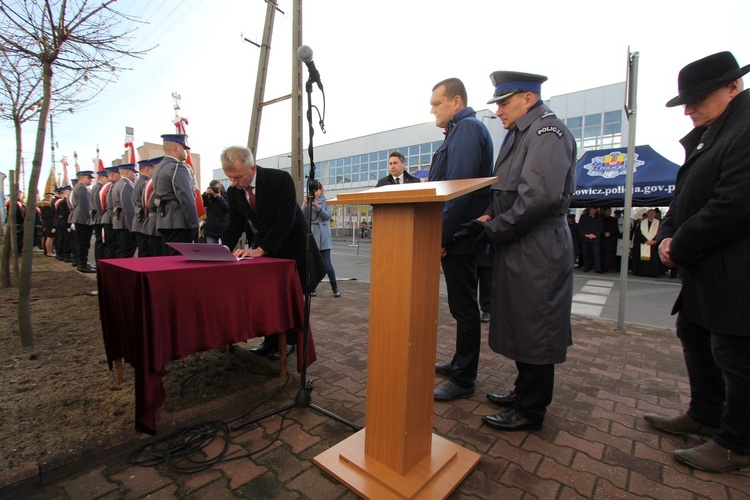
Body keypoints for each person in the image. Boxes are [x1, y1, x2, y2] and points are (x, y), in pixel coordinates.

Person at [643, 51, 750, 473]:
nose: (689, 109)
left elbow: (735, 204)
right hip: (706, 269)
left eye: (699, 98)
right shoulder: (711, 132)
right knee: (695, 335)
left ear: (733, 87)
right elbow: (683, 197)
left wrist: (678, 243)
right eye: (685, 101)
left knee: (736, 356)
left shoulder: (744, 130)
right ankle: (705, 414)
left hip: (737, 269)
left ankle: (736, 441)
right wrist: (668, 233)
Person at [473, 70, 576, 431]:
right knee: (522, 322)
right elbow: (512, 192)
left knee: (537, 326)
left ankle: (532, 410)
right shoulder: (523, 132)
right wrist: (491, 215)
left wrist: (494, 229)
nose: (499, 110)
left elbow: (539, 197)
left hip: (538, 246)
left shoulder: (548, 131)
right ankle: (523, 392)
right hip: (523, 242)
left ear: (528, 99)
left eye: (504, 102)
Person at [220, 145, 325, 361]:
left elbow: (285, 219)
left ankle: (289, 344)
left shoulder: (279, 180)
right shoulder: (234, 192)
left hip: (293, 247)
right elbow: (235, 223)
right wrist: (221, 249)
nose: (234, 183)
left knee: (289, 299)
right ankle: (270, 342)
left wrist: (261, 249)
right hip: (267, 250)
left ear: (252, 167)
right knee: (268, 298)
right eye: (229, 178)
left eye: (238, 177)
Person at [428, 77, 493, 401]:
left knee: (465, 308)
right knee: (461, 305)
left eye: (437, 103)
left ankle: (465, 378)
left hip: (460, 237)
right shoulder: (459, 130)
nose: (432, 109)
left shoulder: (466, 130)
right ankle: (459, 364)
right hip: (457, 235)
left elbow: (458, 189)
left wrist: (441, 237)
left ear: (456, 102)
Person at [148, 134, 199, 255]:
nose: (187, 151)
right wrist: (193, 224)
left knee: (167, 259)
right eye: (185, 148)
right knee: (178, 261)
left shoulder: (159, 168)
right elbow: (186, 198)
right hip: (178, 222)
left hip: (164, 220)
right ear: (176, 147)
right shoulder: (177, 167)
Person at [303, 180, 340, 297]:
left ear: (321, 189)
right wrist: (305, 205)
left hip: (323, 233)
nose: (314, 193)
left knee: (327, 264)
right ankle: (312, 287)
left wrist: (317, 206)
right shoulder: (307, 200)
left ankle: (335, 287)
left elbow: (328, 217)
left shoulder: (327, 201)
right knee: (311, 263)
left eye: (316, 190)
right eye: (312, 190)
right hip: (312, 233)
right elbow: (303, 216)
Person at [131, 157, 159, 257]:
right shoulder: (146, 183)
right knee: (146, 252)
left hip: (140, 221)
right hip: (143, 221)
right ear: (148, 169)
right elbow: (148, 204)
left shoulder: (139, 182)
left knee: (143, 251)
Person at [70, 170, 96, 273]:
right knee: (83, 243)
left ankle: (82, 262)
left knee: (82, 242)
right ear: (81, 178)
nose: (91, 180)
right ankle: (82, 264)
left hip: (80, 218)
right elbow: (85, 207)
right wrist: (89, 220)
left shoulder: (80, 188)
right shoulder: (82, 188)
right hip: (82, 219)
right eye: (89, 178)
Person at [111, 163, 137, 258]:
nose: (135, 174)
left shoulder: (117, 184)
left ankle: (117, 272)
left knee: (121, 249)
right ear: (127, 172)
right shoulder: (126, 185)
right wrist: (132, 226)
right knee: (127, 251)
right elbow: (129, 208)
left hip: (119, 221)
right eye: (133, 172)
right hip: (125, 223)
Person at [631, 208, 662, 277]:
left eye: (652, 214)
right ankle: (643, 272)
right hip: (644, 243)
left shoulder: (659, 223)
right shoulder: (642, 223)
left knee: (653, 259)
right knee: (643, 259)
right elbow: (638, 234)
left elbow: (660, 233)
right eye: (649, 214)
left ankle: (653, 273)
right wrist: (646, 241)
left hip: (654, 244)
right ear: (647, 214)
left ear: (655, 215)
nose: (651, 215)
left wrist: (654, 240)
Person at [200, 180, 229, 244]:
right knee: (211, 252)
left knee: (224, 251)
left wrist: (219, 198)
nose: (216, 190)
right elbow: (201, 204)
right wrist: (205, 194)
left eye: (218, 188)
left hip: (223, 229)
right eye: (214, 188)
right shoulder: (208, 198)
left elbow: (227, 209)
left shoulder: (225, 196)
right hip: (211, 230)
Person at [89, 168, 109, 261]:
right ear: (101, 177)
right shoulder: (99, 188)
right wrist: (103, 217)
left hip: (97, 217)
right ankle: (99, 262)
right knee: (101, 242)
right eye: (106, 177)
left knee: (100, 241)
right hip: (99, 218)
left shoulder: (96, 187)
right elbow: (99, 204)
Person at [578, 206, 603, 273]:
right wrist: (586, 234)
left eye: (595, 211)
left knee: (596, 253)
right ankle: (586, 267)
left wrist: (595, 235)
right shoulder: (583, 217)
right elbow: (580, 226)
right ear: (589, 210)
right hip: (585, 238)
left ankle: (598, 268)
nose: (593, 212)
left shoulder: (599, 217)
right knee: (585, 253)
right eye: (592, 211)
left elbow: (601, 227)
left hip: (595, 238)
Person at [600, 207, 619, 272]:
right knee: (601, 253)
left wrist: (610, 233)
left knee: (609, 254)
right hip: (602, 239)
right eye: (607, 211)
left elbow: (616, 229)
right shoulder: (600, 218)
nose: (608, 212)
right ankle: (601, 266)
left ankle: (608, 267)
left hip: (611, 240)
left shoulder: (614, 220)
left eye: (609, 211)